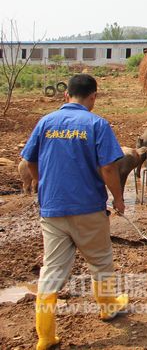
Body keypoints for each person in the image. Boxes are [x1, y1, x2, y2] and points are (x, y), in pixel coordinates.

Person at [21, 74, 129, 350]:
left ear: (66, 95)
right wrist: (118, 198)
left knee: (52, 272)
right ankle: (107, 308)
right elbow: (108, 168)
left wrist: (43, 182)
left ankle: (45, 336)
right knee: (101, 262)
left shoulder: (45, 122)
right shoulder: (97, 124)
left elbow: (29, 160)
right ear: (93, 96)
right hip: (88, 209)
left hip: (53, 210)